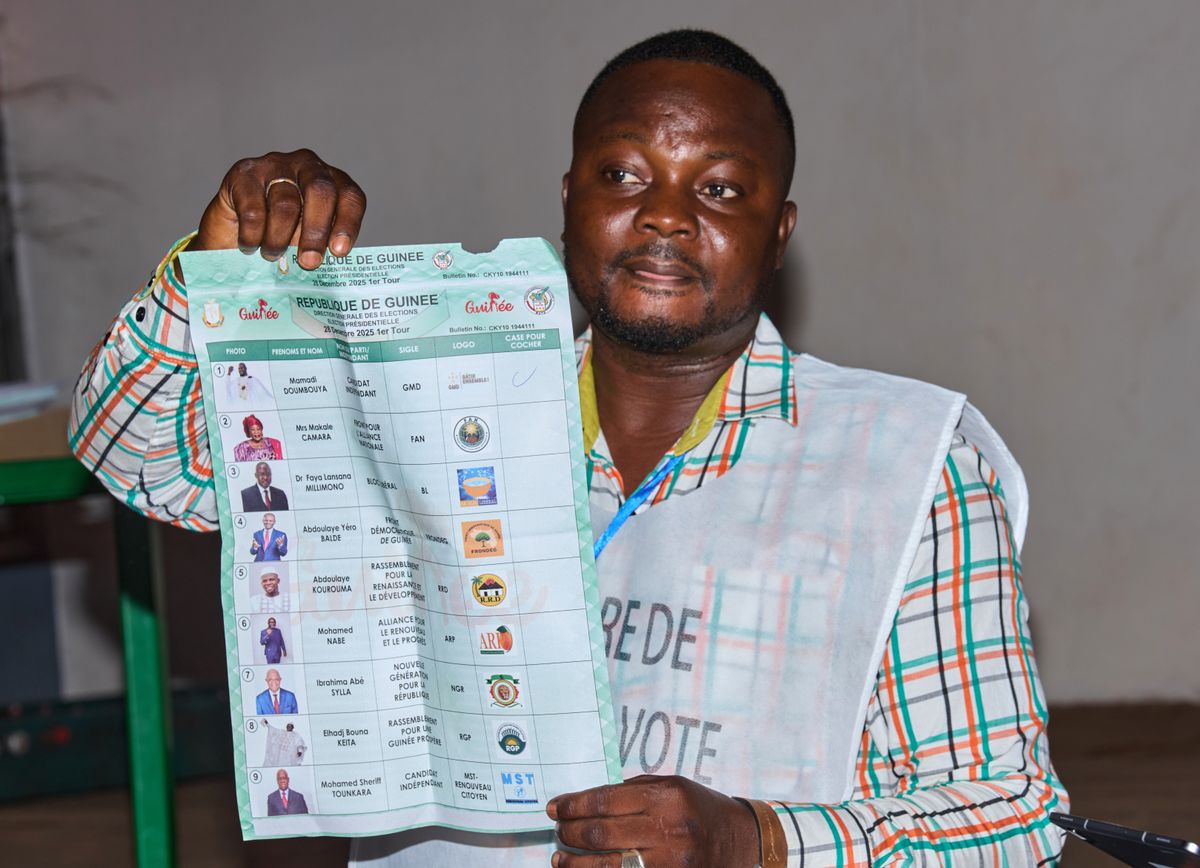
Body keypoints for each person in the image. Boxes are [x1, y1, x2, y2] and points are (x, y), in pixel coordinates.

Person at [68, 28, 1068, 868]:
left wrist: (756, 841)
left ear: (779, 231)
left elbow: (1014, 820)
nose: (666, 213)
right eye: (624, 173)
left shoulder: (908, 465)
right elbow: (135, 454)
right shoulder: (421, 411)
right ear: (569, 198)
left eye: (722, 189)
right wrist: (214, 276)